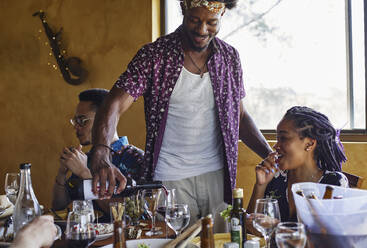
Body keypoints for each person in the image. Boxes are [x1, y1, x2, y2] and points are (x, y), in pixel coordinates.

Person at [89, 0, 272, 230]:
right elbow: (113, 103)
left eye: (211, 22)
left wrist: (269, 154)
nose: (202, 30)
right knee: (177, 243)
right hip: (170, 179)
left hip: (217, 177)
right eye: (195, 20)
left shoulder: (229, 58)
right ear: (183, 9)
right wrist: (101, 150)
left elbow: (240, 117)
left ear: (222, 14)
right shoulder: (154, 56)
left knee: (223, 242)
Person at [52, 88, 145, 217]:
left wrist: (85, 174)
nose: (76, 127)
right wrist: (61, 173)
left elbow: (131, 215)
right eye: (75, 121)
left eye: (82, 121)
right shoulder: (87, 158)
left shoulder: (136, 159)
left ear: (105, 119)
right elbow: (59, 208)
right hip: (89, 235)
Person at [247, 106, 349, 222]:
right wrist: (260, 185)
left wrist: (277, 228)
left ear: (309, 144)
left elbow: (329, 236)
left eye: (283, 138)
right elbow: (249, 229)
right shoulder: (275, 178)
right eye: (277, 138)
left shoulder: (333, 183)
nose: (276, 146)